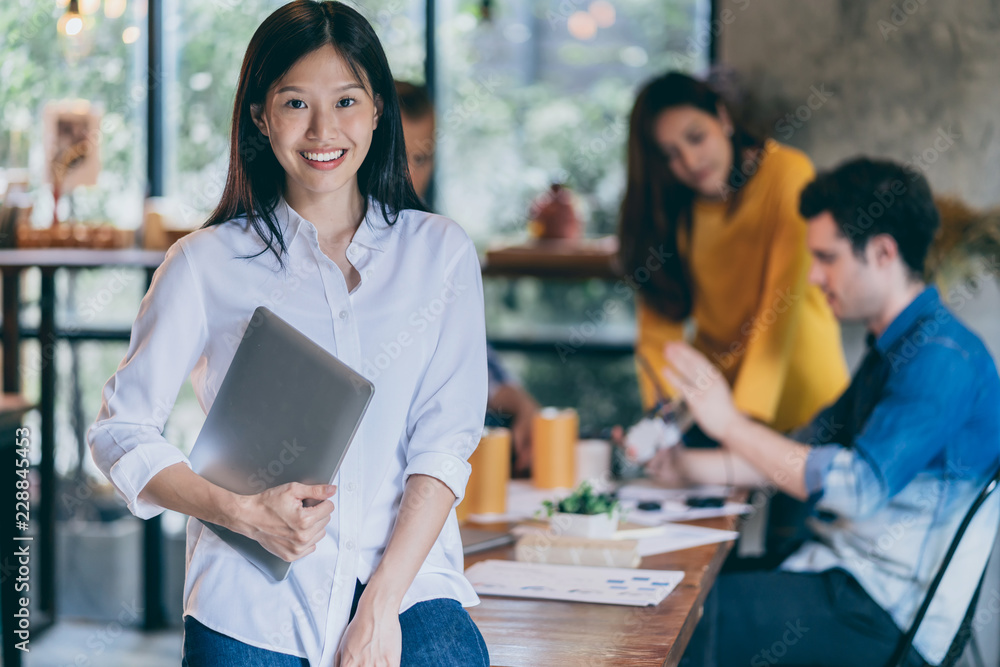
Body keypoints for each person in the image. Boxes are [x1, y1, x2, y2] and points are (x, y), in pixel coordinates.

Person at [87, 3, 491, 665]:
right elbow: (119, 431)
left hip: (409, 587)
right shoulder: (204, 263)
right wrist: (242, 513)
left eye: (347, 101)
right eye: (296, 102)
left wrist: (380, 605)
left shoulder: (439, 253)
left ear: (378, 110)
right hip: (252, 599)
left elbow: (444, 442)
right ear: (260, 115)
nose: (323, 130)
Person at [655, 157, 1000, 666]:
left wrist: (727, 422)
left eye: (827, 257)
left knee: (682, 618)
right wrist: (685, 466)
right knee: (683, 591)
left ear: (883, 252)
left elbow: (855, 488)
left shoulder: (943, 359)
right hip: (840, 577)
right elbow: (805, 455)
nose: (814, 276)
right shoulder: (895, 345)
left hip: (885, 613)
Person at [619, 71, 848, 436]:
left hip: (805, 412)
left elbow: (779, 309)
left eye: (696, 137)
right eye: (671, 154)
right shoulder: (672, 207)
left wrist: (742, 427)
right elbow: (658, 335)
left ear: (723, 118)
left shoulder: (788, 173)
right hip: (717, 417)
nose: (691, 161)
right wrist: (662, 424)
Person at [395, 80, 540, 473]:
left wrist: (516, 398)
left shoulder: (438, 244)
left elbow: (471, 352)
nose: (408, 173)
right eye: (393, 155)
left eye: (421, 158)